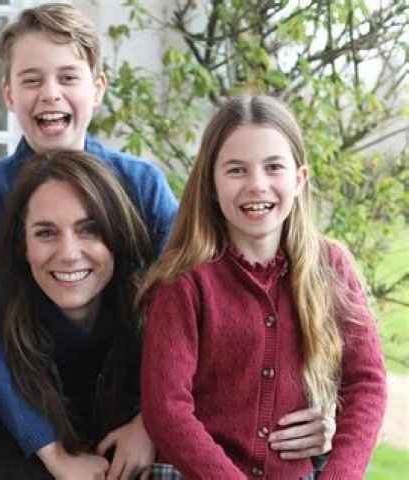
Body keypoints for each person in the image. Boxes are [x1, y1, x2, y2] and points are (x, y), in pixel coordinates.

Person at [0, 4, 337, 477]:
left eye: (68, 77)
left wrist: (152, 423)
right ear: (8, 93)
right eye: (31, 80)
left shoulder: (141, 185)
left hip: (133, 412)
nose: (50, 93)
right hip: (27, 420)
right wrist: (48, 448)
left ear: (97, 87)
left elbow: (205, 307)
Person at [139, 96, 387, 479]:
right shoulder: (184, 282)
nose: (257, 185)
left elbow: (366, 384)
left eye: (273, 167)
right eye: (236, 170)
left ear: (299, 179)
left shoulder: (331, 266)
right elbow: (166, 409)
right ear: (211, 184)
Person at [0, 150, 156, 479]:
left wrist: (151, 424)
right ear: (24, 247)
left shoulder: (154, 330)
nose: (68, 254)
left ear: (117, 236)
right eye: (46, 233)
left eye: (89, 229)